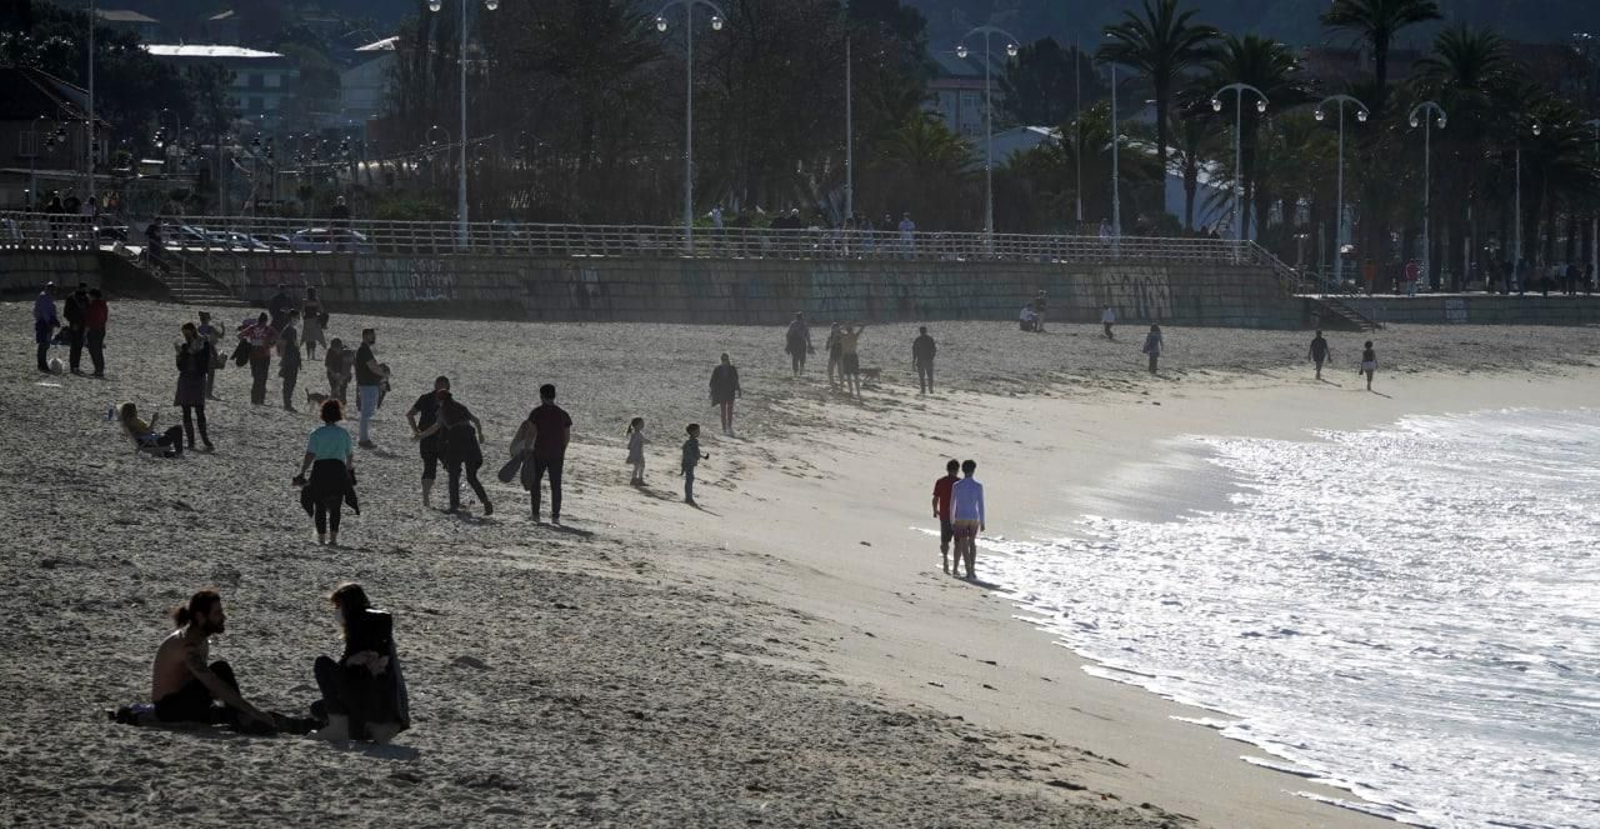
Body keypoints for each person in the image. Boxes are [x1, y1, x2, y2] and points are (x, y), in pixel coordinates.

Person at [150, 590, 276, 731]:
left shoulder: (201, 640)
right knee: (220, 669)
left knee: (221, 674)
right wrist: (253, 711)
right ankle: (241, 717)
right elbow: (212, 683)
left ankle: (239, 716)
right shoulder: (187, 647)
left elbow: (206, 685)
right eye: (217, 613)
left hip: (184, 701)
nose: (223, 617)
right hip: (169, 710)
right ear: (200, 617)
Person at [311, 583, 410, 744]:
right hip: (379, 717)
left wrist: (350, 662)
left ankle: (338, 727)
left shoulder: (361, 627)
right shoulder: (376, 635)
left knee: (322, 664)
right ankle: (352, 729)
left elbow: (352, 677)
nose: (337, 611)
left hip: (373, 711)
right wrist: (350, 662)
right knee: (318, 708)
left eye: (338, 606)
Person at [416, 389, 492, 516]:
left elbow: (436, 427)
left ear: (440, 400)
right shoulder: (461, 407)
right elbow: (476, 420)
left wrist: (421, 436)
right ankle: (486, 501)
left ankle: (454, 506)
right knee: (472, 477)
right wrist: (480, 434)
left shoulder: (442, 410)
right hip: (471, 439)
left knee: (454, 474)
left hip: (457, 439)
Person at [297, 399, 357, 546]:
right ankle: (334, 539)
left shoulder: (316, 433)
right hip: (338, 469)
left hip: (320, 469)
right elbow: (349, 455)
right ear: (338, 414)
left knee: (320, 505)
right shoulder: (344, 433)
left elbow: (310, 454)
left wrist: (303, 471)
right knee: (336, 505)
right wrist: (349, 471)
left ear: (323, 414)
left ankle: (321, 539)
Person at [514, 384, 572, 524]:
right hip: (557, 454)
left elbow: (531, 432)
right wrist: (562, 449)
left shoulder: (537, 413)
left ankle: (536, 515)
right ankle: (555, 516)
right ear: (554, 396)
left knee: (535, 483)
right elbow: (567, 436)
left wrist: (527, 449)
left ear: (541, 396)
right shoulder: (563, 414)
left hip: (539, 452)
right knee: (556, 485)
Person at [405, 377, 449, 507]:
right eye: (439, 384)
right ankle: (427, 499)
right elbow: (410, 415)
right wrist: (417, 432)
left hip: (428, 439)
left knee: (431, 468)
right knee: (445, 468)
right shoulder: (446, 401)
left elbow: (410, 415)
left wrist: (418, 433)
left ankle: (426, 499)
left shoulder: (425, 398)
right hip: (438, 440)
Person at [175, 323, 215, 452]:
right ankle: (191, 441)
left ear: (193, 332)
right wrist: (180, 355)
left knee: (199, 410)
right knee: (186, 410)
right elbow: (180, 366)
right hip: (186, 379)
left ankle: (205, 439)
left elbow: (205, 363)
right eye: (184, 334)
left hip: (198, 379)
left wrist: (195, 352)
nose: (186, 336)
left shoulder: (204, 344)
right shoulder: (185, 346)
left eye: (187, 333)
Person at [949, 459, 985, 580]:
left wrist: (951, 520)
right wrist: (983, 521)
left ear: (963, 470)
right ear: (973, 470)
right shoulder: (978, 486)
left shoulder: (957, 485)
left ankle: (968, 570)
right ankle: (973, 569)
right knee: (972, 543)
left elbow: (952, 505)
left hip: (961, 517)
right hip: (974, 517)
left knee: (963, 543)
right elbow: (980, 505)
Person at [354, 328, 388, 448]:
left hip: (367, 384)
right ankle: (363, 439)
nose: (373, 337)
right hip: (367, 385)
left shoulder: (364, 350)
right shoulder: (364, 350)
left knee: (366, 413)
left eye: (373, 335)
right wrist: (383, 374)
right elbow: (372, 366)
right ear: (364, 337)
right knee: (366, 413)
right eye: (370, 336)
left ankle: (364, 438)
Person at [238, 313, 278, 406]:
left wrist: (250, 342)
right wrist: (271, 344)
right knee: (263, 378)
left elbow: (240, 335)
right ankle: (261, 399)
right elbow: (277, 337)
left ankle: (254, 399)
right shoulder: (269, 329)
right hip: (265, 355)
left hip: (254, 355)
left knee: (256, 377)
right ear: (266, 320)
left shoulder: (252, 328)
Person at [118, 402, 184, 457]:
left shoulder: (128, 422)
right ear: (132, 411)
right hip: (154, 442)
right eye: (135, 409)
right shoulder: (134, 422)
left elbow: (143, 433)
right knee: (177, 428)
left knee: (172, 431)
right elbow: (147, 432)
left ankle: (169, 454)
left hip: (150, 440)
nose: (136, 411)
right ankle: (179, 453)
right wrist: (153, 420)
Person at [931, 459, 960, 574]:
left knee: (945, 541)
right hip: (957, 516)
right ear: (957, 470)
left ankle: (945, 560)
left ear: (947, 469)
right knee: (957, 542)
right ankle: (955, 568)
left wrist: (935, 510)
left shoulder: (940, 481)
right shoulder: (960, 483)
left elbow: (935, 498)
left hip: (944, 515)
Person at [710, 353, 741, 436]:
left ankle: (729, 427)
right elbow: (712, 382)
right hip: (722, 393)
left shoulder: (732, 368)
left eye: (725, 360)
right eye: (723, 360)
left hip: (730, 392)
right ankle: (724, 429)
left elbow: (736, 380)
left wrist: (739, 390)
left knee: (730, 411)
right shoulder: (717, 369)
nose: (724, 361)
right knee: (723, 411)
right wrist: (713, 392)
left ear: (728, 360)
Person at [63, 282, 90, 375]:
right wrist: (73, 322)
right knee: (74, 346)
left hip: (83, 325)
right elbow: (66, 313)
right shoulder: (71, 298)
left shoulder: (86, 298)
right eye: (83, 289)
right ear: (78, 288)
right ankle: (72, 367)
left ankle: (76, 366)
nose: (84, 291)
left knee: (79, 346)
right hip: (74, 325)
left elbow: (88, 310)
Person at [278, 310, 302, 412]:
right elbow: (282, 345)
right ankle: (287, 404)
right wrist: (283, 360)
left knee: (292, 382)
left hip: (294, 360)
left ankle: (288, 402)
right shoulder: (287, 330)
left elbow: (295, 345)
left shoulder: (293, 331)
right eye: (296, 317)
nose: (298, 320)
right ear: (291, 318)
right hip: (289, 360)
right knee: (288, 383)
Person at [196, 311, 224, 401]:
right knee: (211, 374)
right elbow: (221, 336)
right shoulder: (211, 328)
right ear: (208, 319)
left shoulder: (198, 329)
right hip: (209, 351)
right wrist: (223, 328)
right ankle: (208, 394)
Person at [33, 282, 59, 373]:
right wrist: (50, 322)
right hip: (43, 323)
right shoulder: (44, 297)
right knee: (43, 344)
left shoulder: (48, 297)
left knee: (45, 344)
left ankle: (42, 364)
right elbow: (45, 312)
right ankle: (42, 364)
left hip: (46, 322)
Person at [681, 423, 709, 505]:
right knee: (689, 480)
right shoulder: (692, 442)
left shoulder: (692, 442)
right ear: (692, 432)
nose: (699, 432)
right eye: (697, 431)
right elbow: (692, 452)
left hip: (689, 463)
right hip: (689, 463)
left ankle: (689, 497)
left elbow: (695, 452)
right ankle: (688, 498)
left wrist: (703, 457)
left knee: (690, 479)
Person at [83, 288, 108, 377]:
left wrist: (85, 334)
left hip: (94, 330)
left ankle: (98, 370)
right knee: (98, 350)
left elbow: (89, 320)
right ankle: (100, 369)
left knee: (93, 350)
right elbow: (105, 318)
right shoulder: (103, 304)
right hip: (101, 329)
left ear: (93, 296)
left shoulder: (93, 306)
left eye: (89, 296)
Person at [839, 322, 866, 398]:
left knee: (848, 376)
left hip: (846, 356)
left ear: (846, 330)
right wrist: (854, 325)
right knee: (856, 376)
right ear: (852, 329)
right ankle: (858, 393)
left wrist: (843, 327)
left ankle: (851, 393)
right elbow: (863, 327)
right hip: (853, 356)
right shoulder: (854, 336)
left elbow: (835, 330)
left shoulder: (843, 336)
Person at [785, 312, 813, 377]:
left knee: (795, 357)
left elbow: (788, 334)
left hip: (793, 342)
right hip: (801, 342)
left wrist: (788, 344)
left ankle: (795, 372)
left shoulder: (793, 324)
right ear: (802, 317)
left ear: (796, 317)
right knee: (802, 357)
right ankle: (801, 370)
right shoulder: (804, 324)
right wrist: (809, 344)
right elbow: (807, 335)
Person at [326, 337, 352, 402]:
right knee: (335, 391)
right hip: (333, 375)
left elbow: (349, 365)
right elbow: (328, 365)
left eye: (337, 349)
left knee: (343, 392)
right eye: (334, 349)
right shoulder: (330, 352)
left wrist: (346, 375)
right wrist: (334, 374)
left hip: (344, 374)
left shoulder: (346, 352)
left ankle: (342, 404)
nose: (336, 351)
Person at [912, 326, 937, 395]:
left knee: (921, 377)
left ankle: (923, 390)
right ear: (926, 331)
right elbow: (934, 349)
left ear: (920, 331)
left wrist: (914, 360)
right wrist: (932, 357)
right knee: (930, 376)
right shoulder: (930, 339)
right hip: (929, 360)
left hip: (920, 360)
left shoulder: (917, 339)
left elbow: (914, 351)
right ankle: (931, 389)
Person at [302, 287, 326, 360]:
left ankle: (308, 355)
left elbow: (302, 312)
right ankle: (313, 355)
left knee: (308, 338)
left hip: (307, 320)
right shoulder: (317, 301)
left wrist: (304, 318)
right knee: (313, 338)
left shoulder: (305, 301)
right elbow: (322, 310)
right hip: (315, 320)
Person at [626, 417, 649, 486]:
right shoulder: (637, 434)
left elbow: (641, 440)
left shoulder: (637, 434)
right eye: (641, 424)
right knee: (640, 466)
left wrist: (647, 441)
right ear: (636, 425)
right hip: (637, 454)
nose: (643, 425)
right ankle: (637, 479)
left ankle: (636, 479)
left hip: (638, 453)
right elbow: (632, 444)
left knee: (639, 466)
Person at [825, 322, 844, 387]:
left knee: (841, 372)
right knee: (830, 371)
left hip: (840, 355)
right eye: (834, 328)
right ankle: (832, 385)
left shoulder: (841, 335)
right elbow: (827, 348)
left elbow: (845, 340)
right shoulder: (830, 337)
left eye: (836, 328)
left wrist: (838, 336)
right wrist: (833, 340)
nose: (835, 330)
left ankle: (841, 386)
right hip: (833, 355)